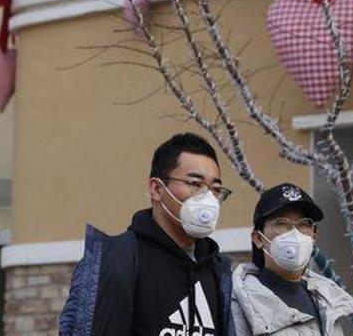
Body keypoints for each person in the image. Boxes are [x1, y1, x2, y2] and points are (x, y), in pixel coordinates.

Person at [59, 133, 236, 336]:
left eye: (215, 189)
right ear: (156, 189)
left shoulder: (218, 271)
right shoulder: (116, 261)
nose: (208, 199)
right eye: (195, 184)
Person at [231, 183, 353, 335]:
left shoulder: (328, 301)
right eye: (281, 223)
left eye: (304, 224)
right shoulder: (240, 304)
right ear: (258, 238)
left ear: (314, 237)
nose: (295, 233)